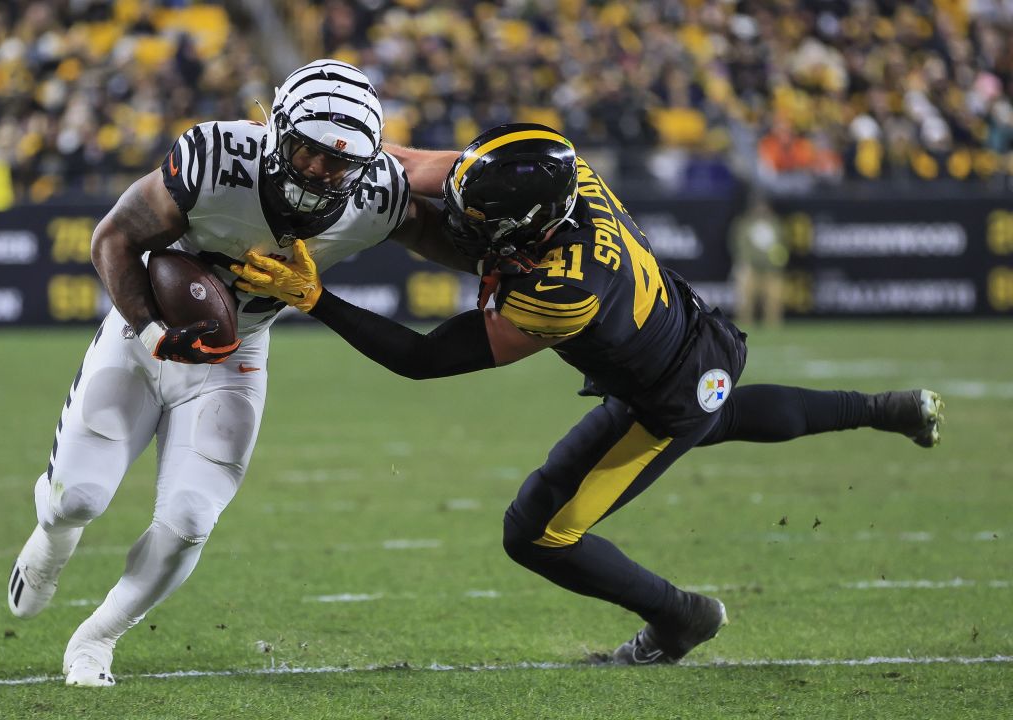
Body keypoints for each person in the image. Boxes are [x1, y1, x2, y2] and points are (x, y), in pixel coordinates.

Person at [233, 123, 944, 665]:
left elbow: (425, 358)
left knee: (538, 532)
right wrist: (346, 161)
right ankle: (887, 408)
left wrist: (316, 298)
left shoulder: (562, 292)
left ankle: (680, 618)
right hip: (694, 341)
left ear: (529, 226)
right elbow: (422, 166)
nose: (462, 223)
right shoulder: (563, 175)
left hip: (661, 395)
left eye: (479, 219)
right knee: (722, 416)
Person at [5, 59, 470, 687]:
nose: (319, 171)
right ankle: (53, 540)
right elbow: (113, 237)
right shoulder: (216, 159)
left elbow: (445, 237)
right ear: (278, 131)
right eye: (307, 151)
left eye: (338, 162)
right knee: (78, 498)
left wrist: (514, 260)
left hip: (237, 353)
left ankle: (96, 640)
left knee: (191, 518)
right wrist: (150, 328)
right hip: (144, 342)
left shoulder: (376, 195)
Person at [729, 190, 788, 328]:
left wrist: (777, 259)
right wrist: (747, 259)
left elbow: (782, 243)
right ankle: (744, 328)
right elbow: (738, 244)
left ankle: (773, 327)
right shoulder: (744, 223)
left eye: (763, 205)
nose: (761, 208)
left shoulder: (775, 223)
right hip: (750, 266)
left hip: (771, 267)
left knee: (774, 301)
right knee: (745, 301)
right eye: (758, 205)